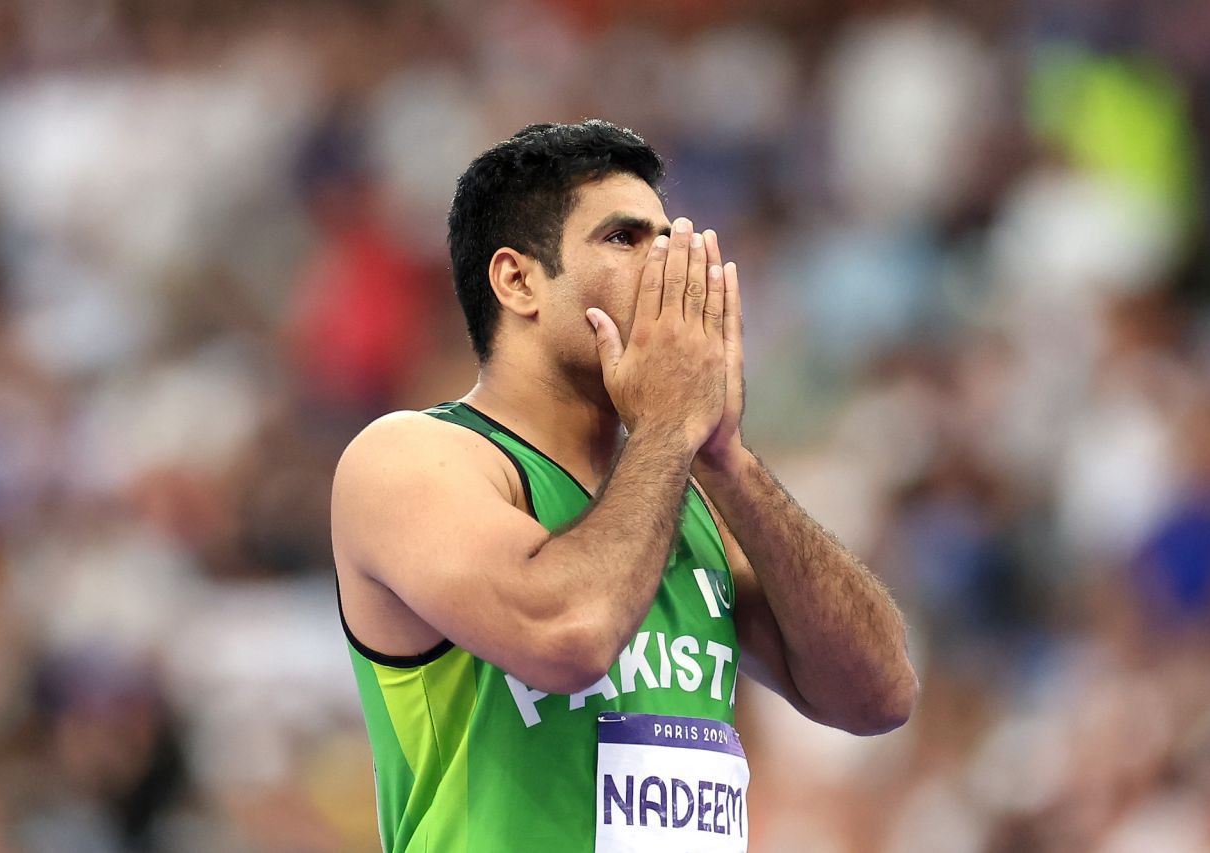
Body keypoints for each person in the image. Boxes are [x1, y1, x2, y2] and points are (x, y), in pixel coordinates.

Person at [330, 120, 918, 853]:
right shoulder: (412, 458)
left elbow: (877, 694)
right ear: (518, 280)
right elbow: (568, 636)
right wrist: (672, 423)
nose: (669, 268)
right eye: (625, 239)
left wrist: (726, 457)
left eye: (668, 241)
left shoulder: (689, 494)